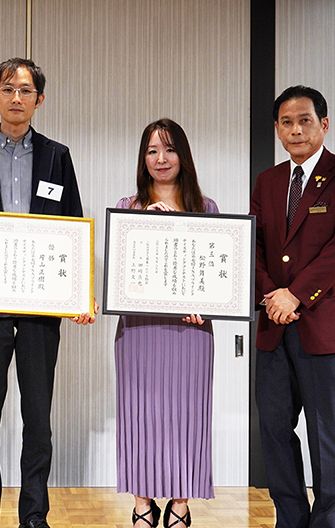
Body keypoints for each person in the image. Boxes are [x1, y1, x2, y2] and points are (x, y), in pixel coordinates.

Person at [0, 58, 96, 528]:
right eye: (8, 89)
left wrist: (81, 294)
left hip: (39, 310)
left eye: (26, 91)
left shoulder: (57, 156)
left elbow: (72, 226)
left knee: (37, 418)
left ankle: (35, 515)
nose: (16, 98)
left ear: (39, 100)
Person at [250, 85, 335, 528]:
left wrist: (295, 294)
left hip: (325, 324)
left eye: (304, 120)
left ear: (324, 124)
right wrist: (270, 295)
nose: (295, 129)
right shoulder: (268, 180)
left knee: (327, 434)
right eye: (286, 121)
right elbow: (255, 248)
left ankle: (325, 522)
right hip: (273, 324)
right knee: (275, 431)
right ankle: (290, 519)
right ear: (277, 128)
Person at [114, 119, 216, 528]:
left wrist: (207, 306)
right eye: (152, 151)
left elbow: (215, 275)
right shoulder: (127, 208)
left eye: (170, 149)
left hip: (191, 332)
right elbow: (120, 274)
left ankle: (180, 503)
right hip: (139, 330)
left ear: (183, 156)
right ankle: (142, 502)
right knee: (140, 413)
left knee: (186, 414)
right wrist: (144, 226)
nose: (161, 159)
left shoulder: (206, 208)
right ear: (143, 159)